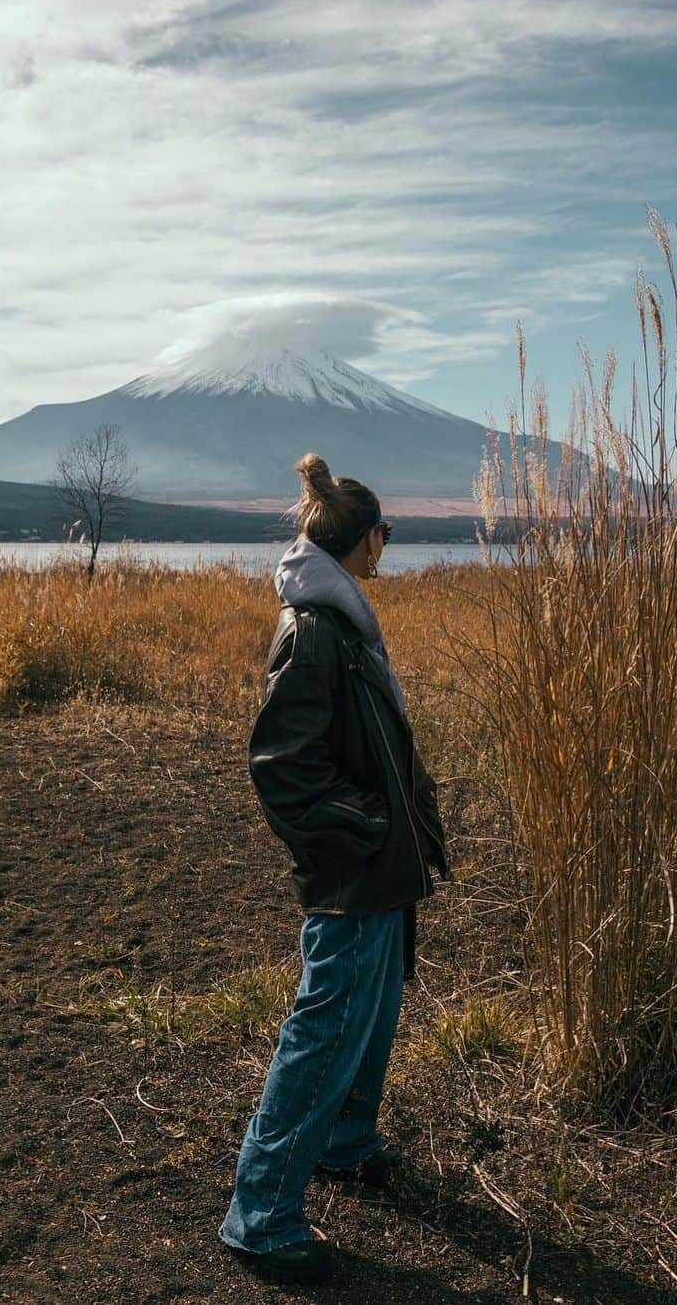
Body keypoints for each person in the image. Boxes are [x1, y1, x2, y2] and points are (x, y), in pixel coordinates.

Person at [218, 452, 450, 1285]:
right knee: (325, 1031)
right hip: (354, 874)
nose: (388, 546)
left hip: (381, 869)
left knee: (372, 1017)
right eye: (383, 532)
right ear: (362, 541)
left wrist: (402, 830)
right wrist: (364, 827)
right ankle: (262, 1214)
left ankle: (347, 1144)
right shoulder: (314, 631)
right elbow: (282, 765)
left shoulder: (342, 619)